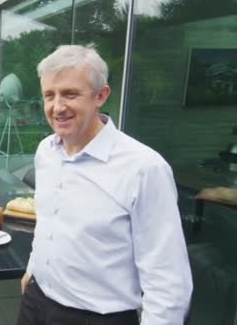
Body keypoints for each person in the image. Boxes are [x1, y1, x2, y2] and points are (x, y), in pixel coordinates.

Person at [17, 45, 193, 325]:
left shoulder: (144, 168)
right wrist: (32, 271)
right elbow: (49, 222)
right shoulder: (46, 151)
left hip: (98, 318)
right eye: (49, 95)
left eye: (70, 94)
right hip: (36, 303)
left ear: (101, 95)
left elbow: (168, 281)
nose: (57, 107)